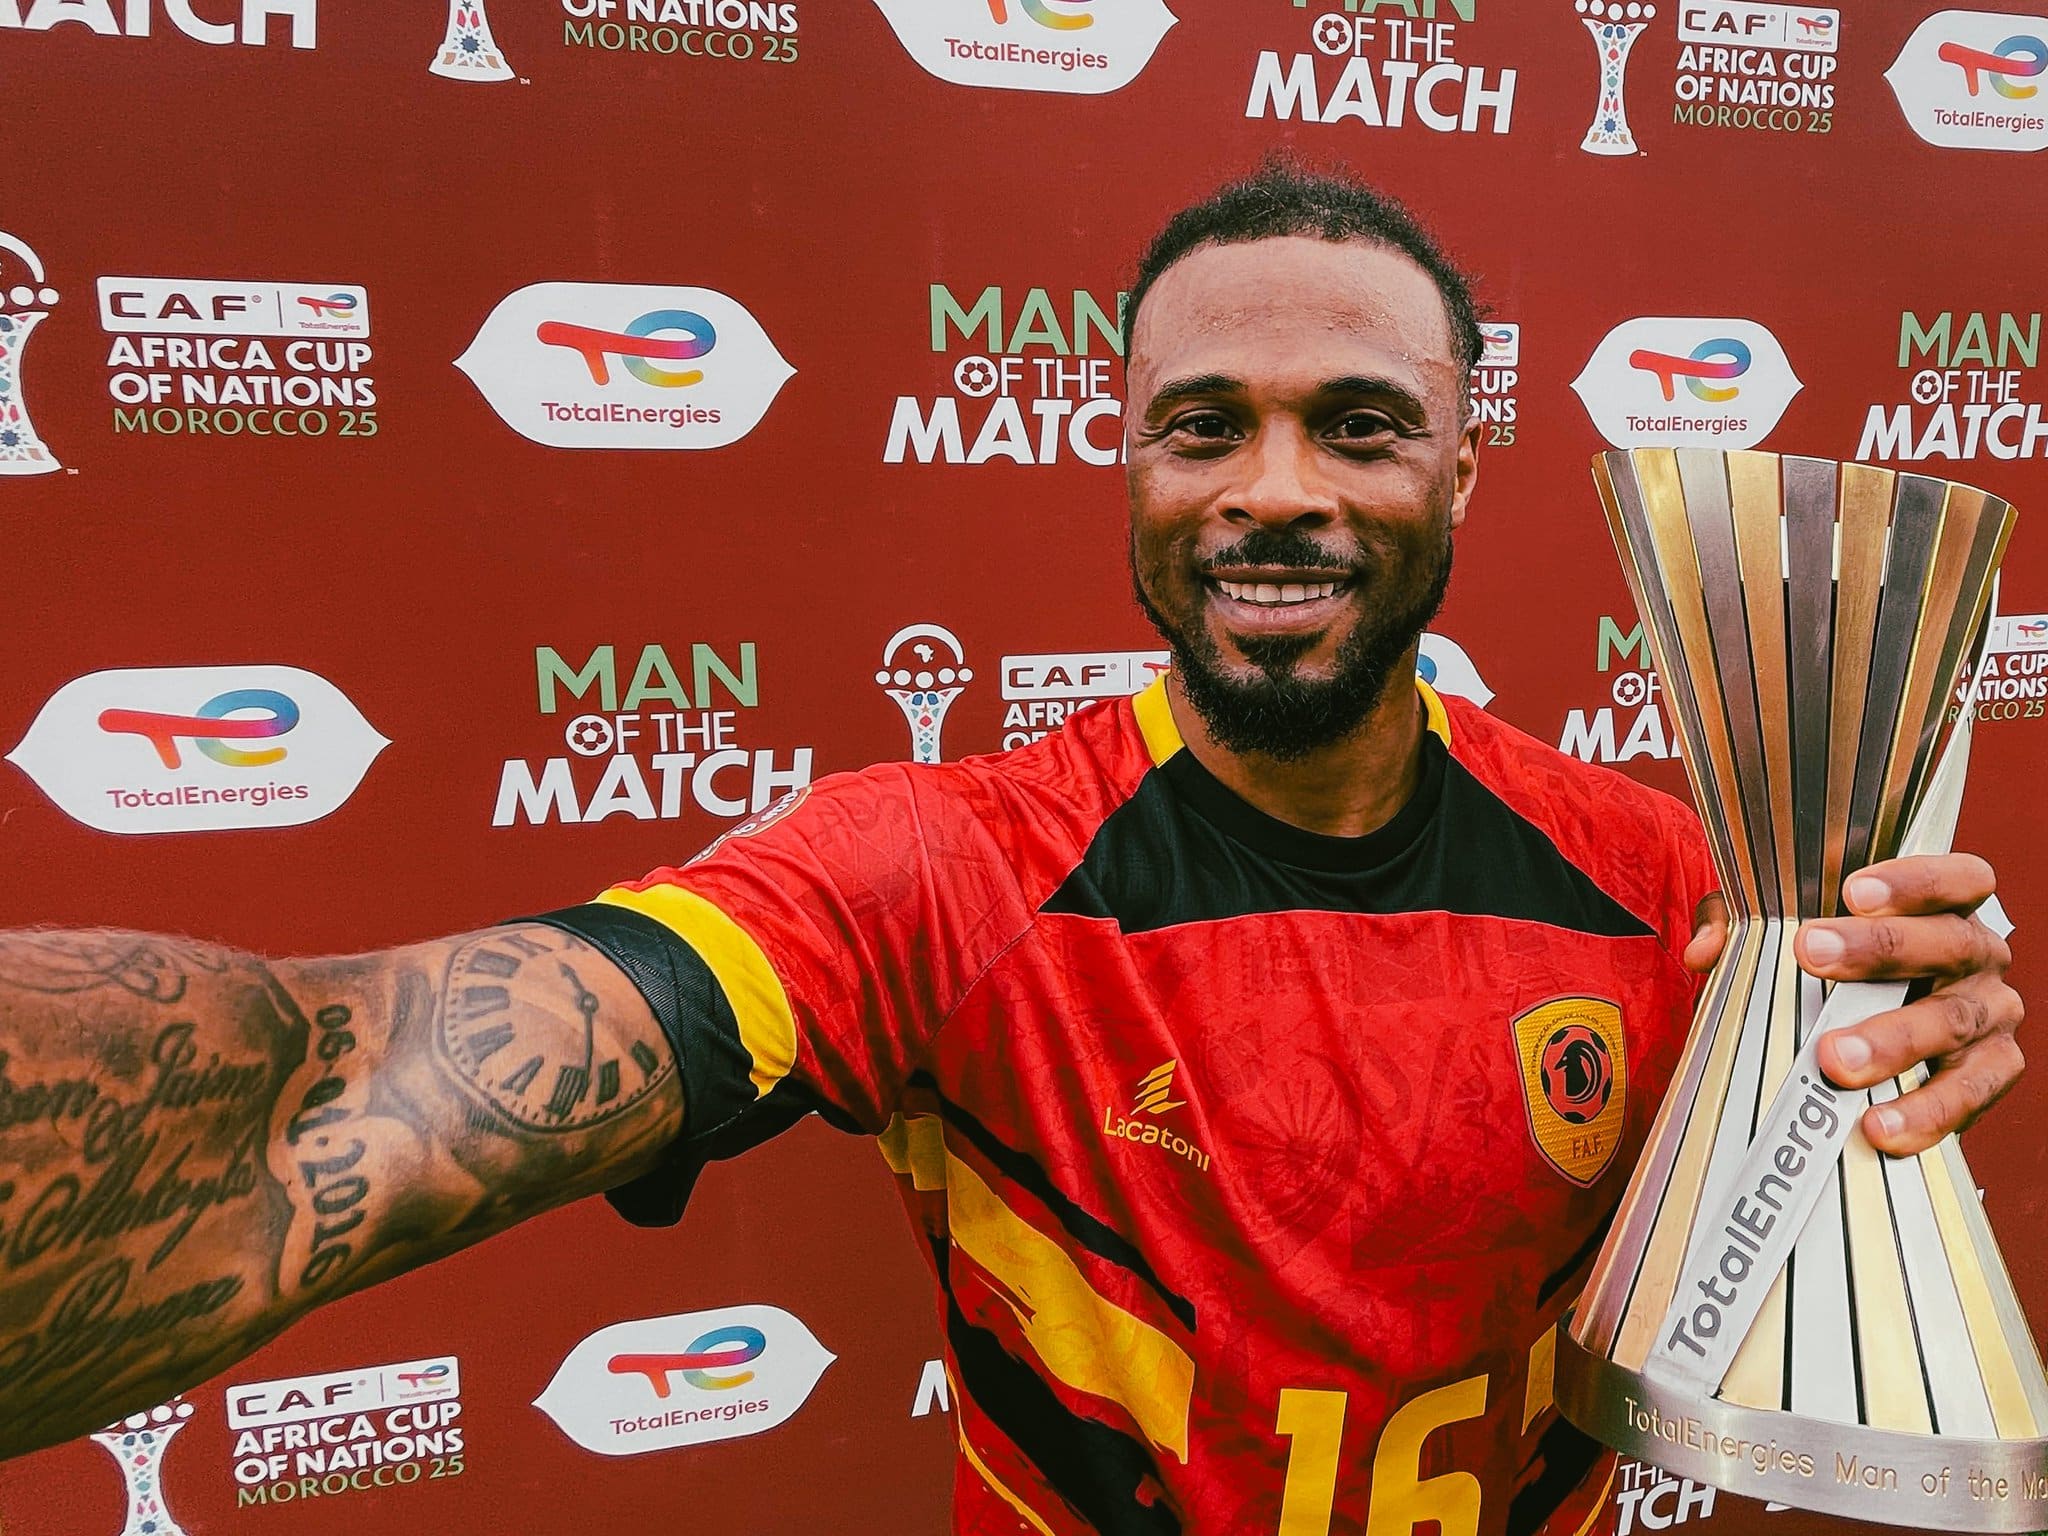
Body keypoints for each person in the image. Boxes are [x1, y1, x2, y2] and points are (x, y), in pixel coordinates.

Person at [0, 164, 2023, 1536]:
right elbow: (325, 1085)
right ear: (1126, 457)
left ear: (1464, 464)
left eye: (1359, 426)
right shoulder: (935, 873)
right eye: (1202, 425)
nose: (1274, 491)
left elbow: (1773, 1317)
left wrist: (1874, 1070)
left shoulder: (1663, 876)